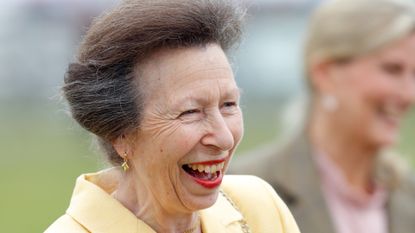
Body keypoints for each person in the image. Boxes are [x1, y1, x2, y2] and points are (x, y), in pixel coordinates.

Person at [45, 0, 301, 233]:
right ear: (119, 134)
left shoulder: (259, 209)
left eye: (229, 104)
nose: (224, 138)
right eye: (190, 112)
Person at [230, 0, 415, 233]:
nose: (409, 94)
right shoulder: (239, 191)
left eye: (414, 74)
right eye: (392, 69)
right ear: (325, 73)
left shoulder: (408, 196)